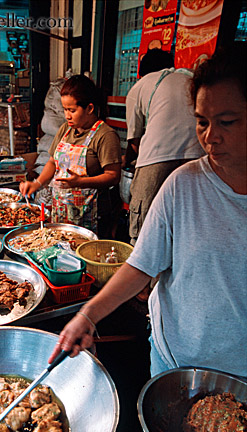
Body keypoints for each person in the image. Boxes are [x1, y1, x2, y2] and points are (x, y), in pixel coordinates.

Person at [49, 43, 247, 381]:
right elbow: (142, 264)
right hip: (175, 360)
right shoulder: (183, 185)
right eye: (201, 122)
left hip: (239, 372)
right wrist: (88, 315)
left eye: (227, 122)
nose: (211, 137)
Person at [20, 74, 122, 236]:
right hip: (62, 212)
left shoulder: (105, 135)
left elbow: (113, 176)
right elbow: (53, 163)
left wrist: (81, 182)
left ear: (89, 108)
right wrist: (37, 184)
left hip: (91, 216)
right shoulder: (65, 130)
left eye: (72, 110)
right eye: (65, 109)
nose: (67, 115)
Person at [123, 49, 204, 246]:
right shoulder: (189, 80)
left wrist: (125, 161)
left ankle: (145, 274)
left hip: (156, 159)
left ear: (141, 72)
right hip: (199, 159)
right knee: (183, 227)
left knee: (145, 230)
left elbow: (135, 142)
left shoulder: (141, 86)